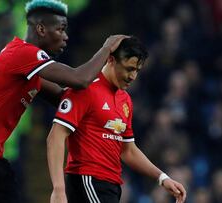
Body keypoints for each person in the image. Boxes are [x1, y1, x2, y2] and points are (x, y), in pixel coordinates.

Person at [0, 0, 127, 202]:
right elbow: (80, 79)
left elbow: (64, 98)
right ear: (42, 29)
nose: (66, 37)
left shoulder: (29, 69)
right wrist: (107, 48)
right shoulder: (23, 53)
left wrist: (108, 101)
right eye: (61, 30)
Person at [47, 37, 187, 203]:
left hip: (110, 185)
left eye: (137, 70)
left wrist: (162, 178)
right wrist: (58, 189)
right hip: (88, 180)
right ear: (111, 60)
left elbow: (127, 150)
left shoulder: (125, 100)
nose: (133, 76)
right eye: (129, 69)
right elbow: (56, 136)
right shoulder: (85, 89)